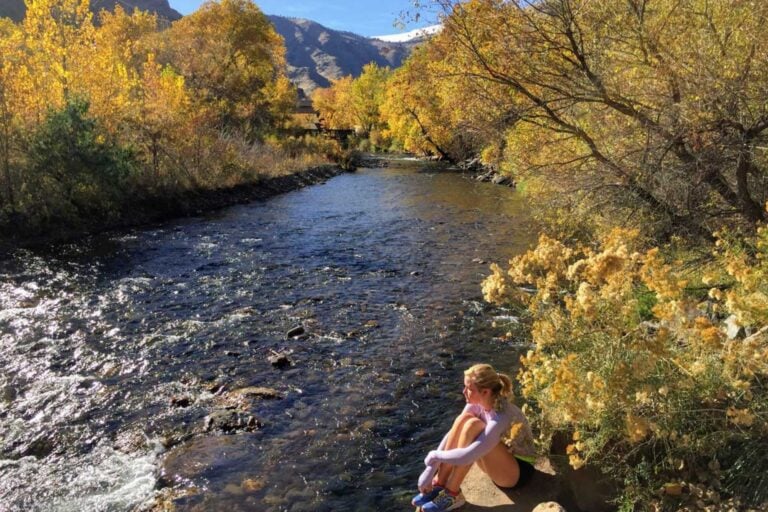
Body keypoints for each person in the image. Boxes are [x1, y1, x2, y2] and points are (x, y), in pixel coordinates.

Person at [411, 363, 536, 511]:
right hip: (498, 460)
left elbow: (468, 456)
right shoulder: (477, 403)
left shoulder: (500, 416)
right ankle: (440, 483)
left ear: (485, 392)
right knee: (465, 421)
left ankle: (453, 494)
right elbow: (453, 433)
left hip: (516, 472)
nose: (464, 392)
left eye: (469, 389)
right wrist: (431, 470)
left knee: (474, 426)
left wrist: (434, 456)